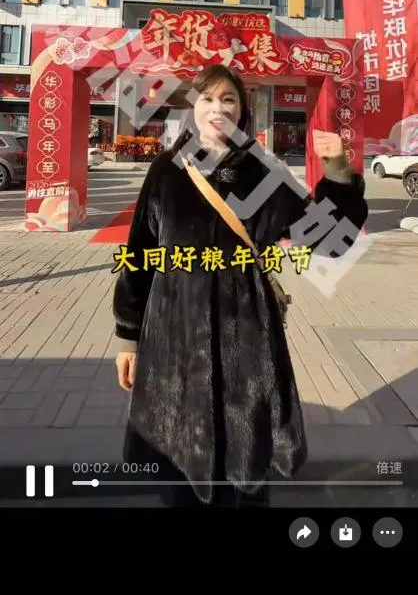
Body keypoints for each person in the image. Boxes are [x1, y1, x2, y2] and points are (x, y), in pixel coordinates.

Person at [113, 64, 368, 508]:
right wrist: (128, 337)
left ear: (242, 111)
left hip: (246, 338)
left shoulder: (262, 175)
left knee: (246, 465)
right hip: (175, 336)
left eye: (228, 99)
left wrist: (338, 172)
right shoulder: (166, 170)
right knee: (181, 464)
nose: (218, 108)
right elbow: (139, 255)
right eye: (208, 98)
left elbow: (329, 239)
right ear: (194, 107)